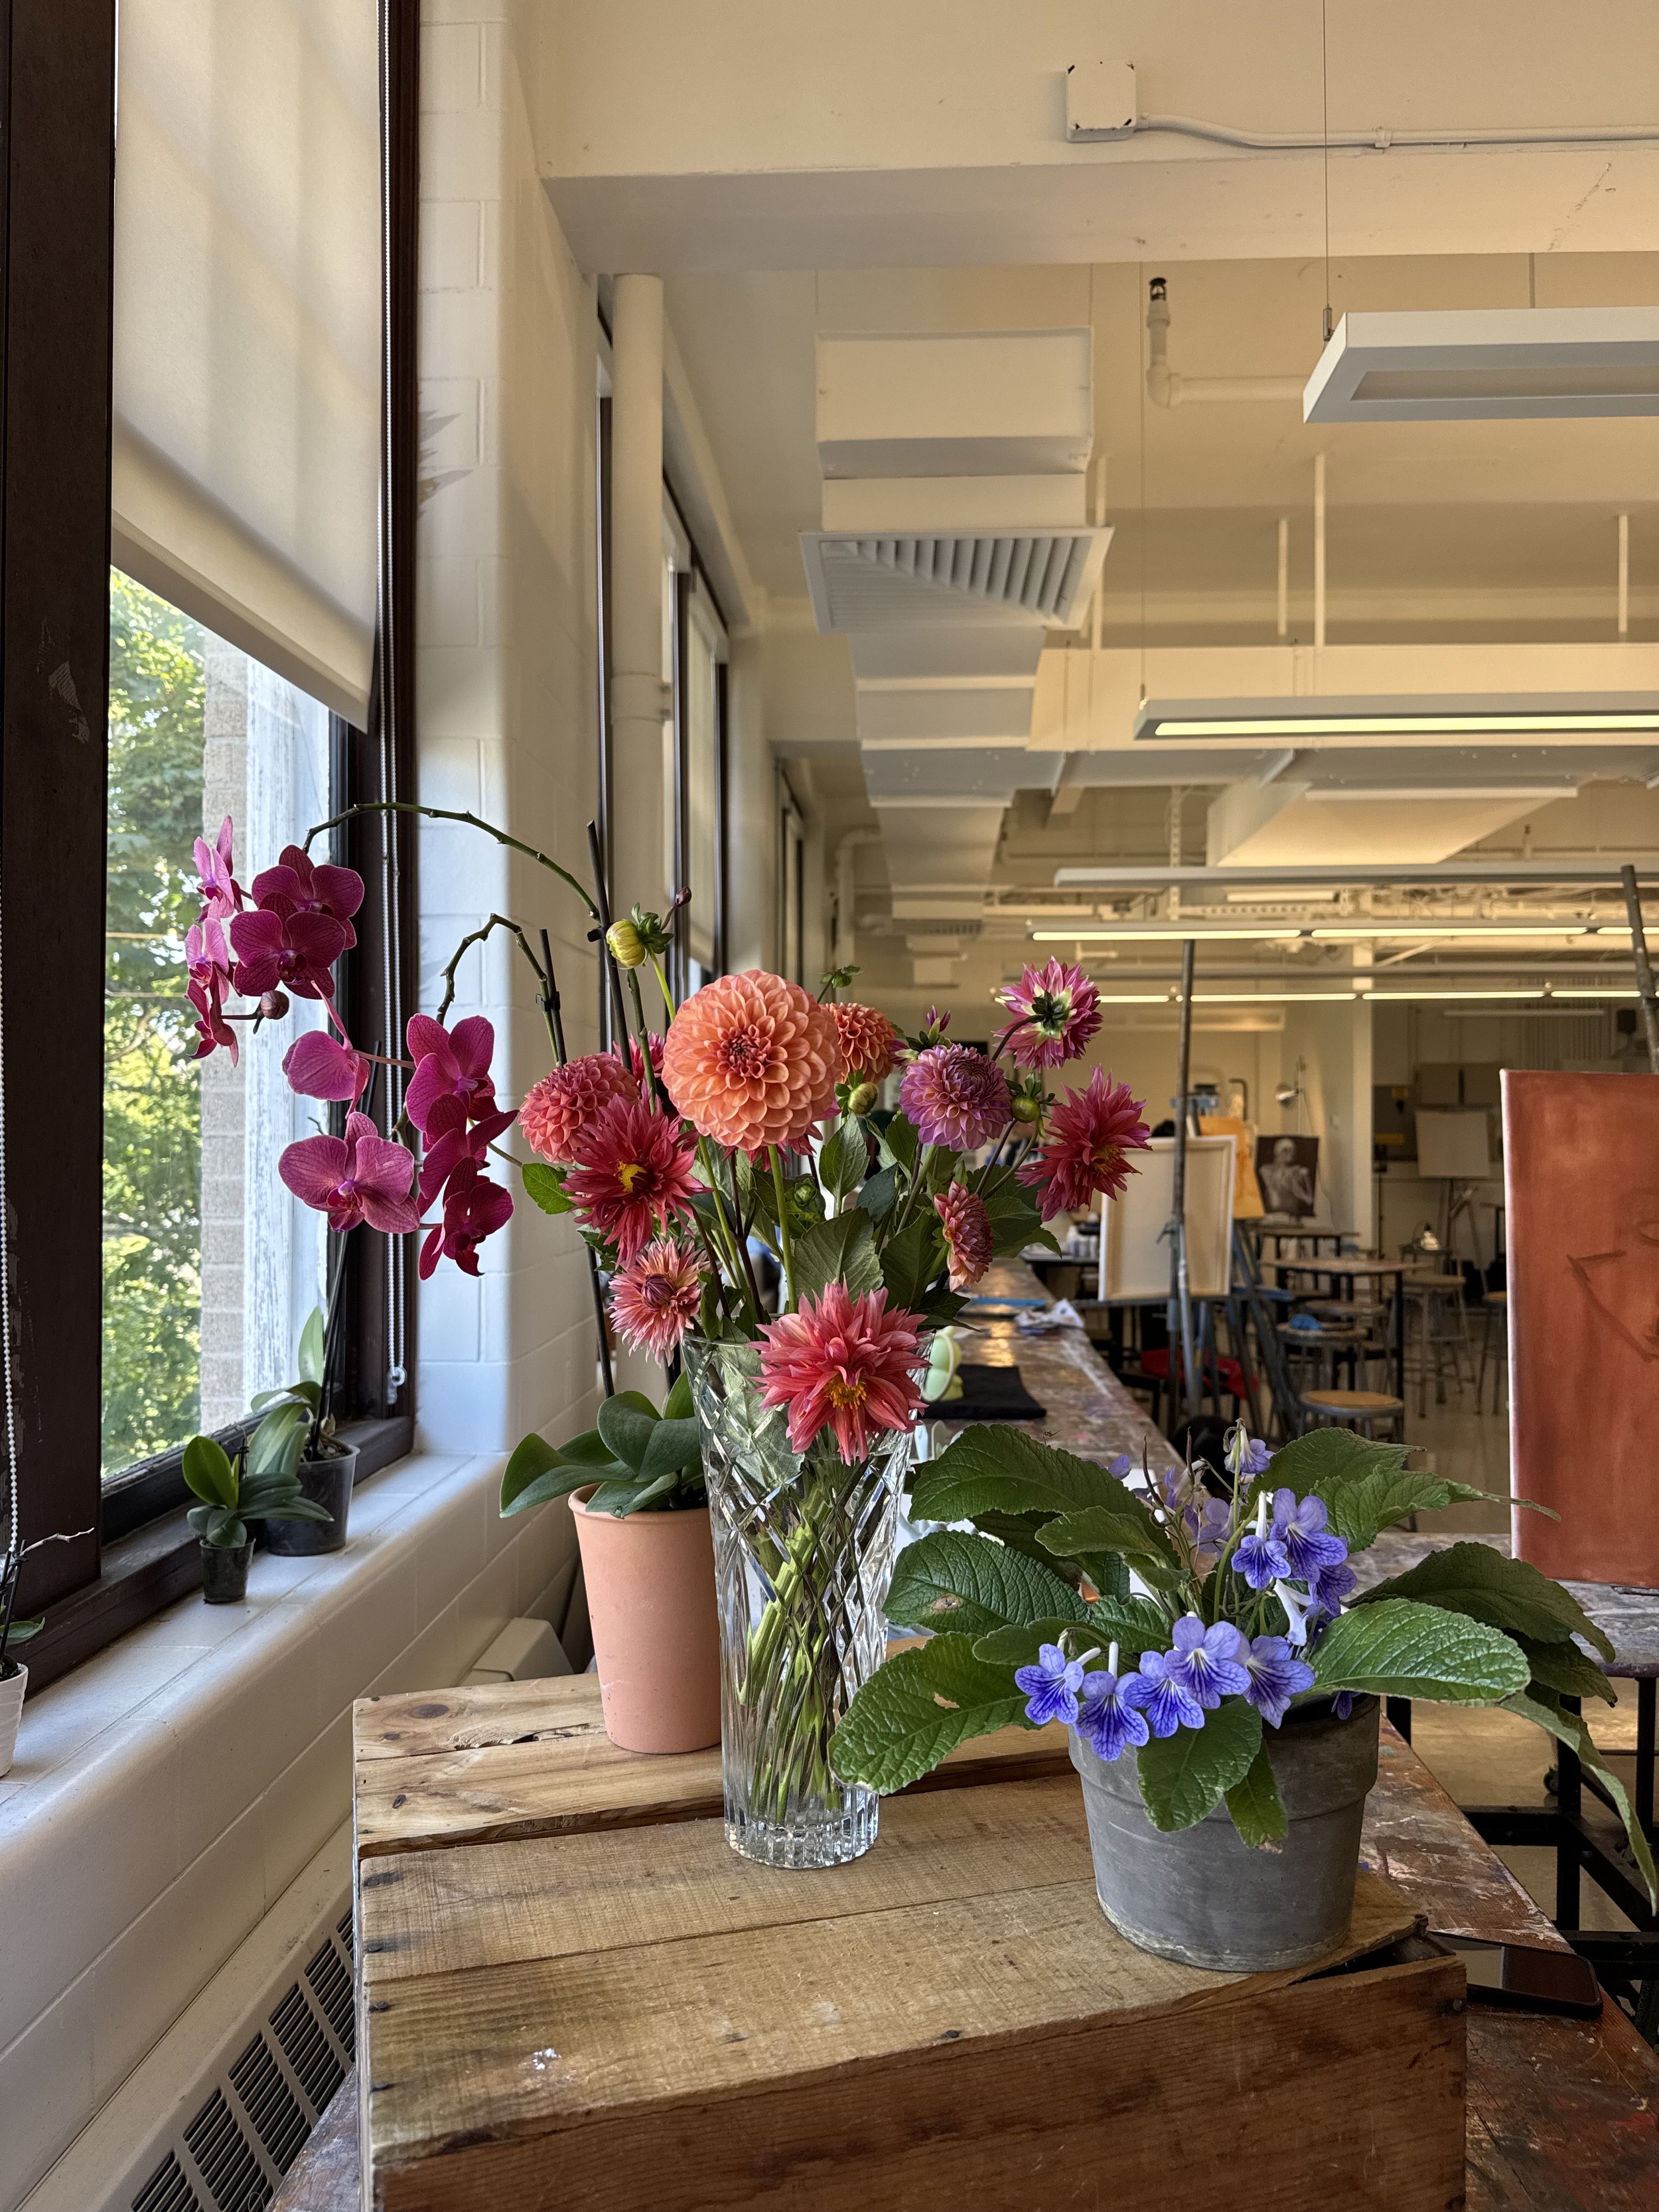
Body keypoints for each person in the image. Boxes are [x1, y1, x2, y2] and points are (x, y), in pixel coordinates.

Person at [1259, 1135, 1315, 1218]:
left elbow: (1309, 1200)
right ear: (1278, 1152)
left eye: (1292, 1151)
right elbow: (1274, 1198)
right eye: (1286, 1151)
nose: (1291, 1154)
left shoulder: (1296, 1172)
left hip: (1291, 1216)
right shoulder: (1266, 1170)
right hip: (1270, 1217)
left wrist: (1301, 1183)